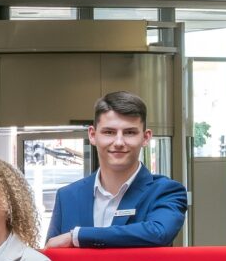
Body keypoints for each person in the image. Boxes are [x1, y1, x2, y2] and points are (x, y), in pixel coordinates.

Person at [46, 92, 189, 249]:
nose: (119, 142)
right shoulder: (67, 196)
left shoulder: (165, 191)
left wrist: (77, 236)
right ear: (92, 135)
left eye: (129, 132)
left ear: (146, 138)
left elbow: (159, 232)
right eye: (109, 132)